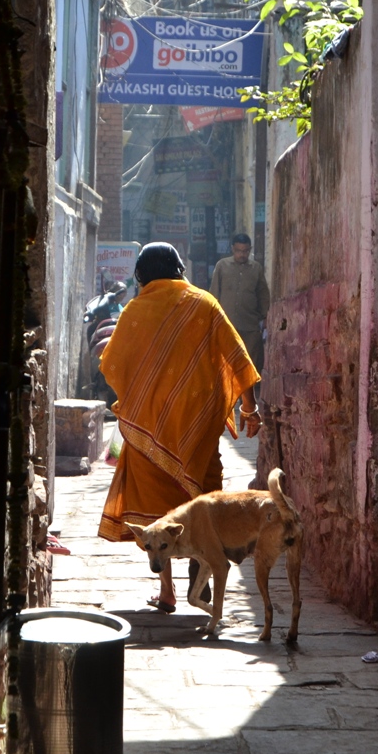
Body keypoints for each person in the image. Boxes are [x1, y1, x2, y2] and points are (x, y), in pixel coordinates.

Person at [97, 243, 262, 612]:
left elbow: (111, 364)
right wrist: (250, 410)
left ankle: (168, 591)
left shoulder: (135, 311)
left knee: (159, 513)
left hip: (147, 428)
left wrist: (141, 397)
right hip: (198, 427)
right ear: (179, 270)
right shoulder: (204, 304)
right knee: (200, 503)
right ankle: (199, 577)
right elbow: (238, 358)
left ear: (141, 276)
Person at [209, 233, 271, 375]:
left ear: (250, 250)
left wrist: (265, 317)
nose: (242, 255)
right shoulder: (222, 266)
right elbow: (214, 293)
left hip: (250, 324)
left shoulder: (256, 269)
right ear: (232, 249)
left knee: (250, 362)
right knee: (226, 361)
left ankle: (247, 396)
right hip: (226, 324)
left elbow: (263, 294)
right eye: (238, 251)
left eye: (245, 251)